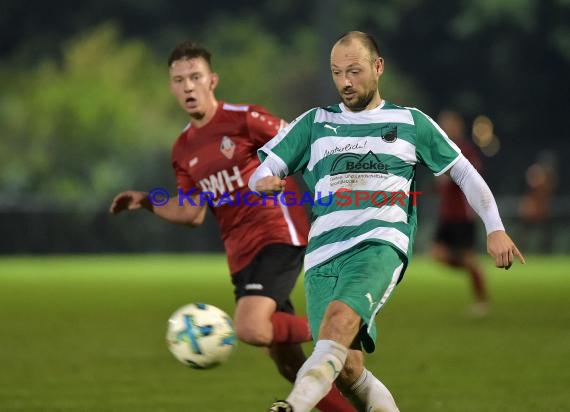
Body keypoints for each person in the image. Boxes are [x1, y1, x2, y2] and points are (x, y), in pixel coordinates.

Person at [249, 31, 525, 412]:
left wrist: (495, 227)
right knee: (346, 367)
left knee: (339, 322)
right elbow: (264, 168)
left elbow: (463, 171)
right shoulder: (315, 123)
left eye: (354, 71)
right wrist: (261, 182)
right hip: (322, 258)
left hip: (379, 246)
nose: (345, 82)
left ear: (378, 68)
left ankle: (293, 406)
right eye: (337, 73)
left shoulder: (410, 122)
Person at [109, 41, 354, 412]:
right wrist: (146, 201)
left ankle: (346, 328)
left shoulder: (244, 118)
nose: (188, 86)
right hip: (240, 254)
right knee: (287, 361)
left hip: (277, 232)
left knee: (251, 328)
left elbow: (303, 144)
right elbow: (192, 213)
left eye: (195, 77)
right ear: (172, 87)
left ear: (212, 80)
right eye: (179, 80)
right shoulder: (182, 148)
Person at [430, 110, 490, 315]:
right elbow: (439, 185)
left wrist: (451, 178)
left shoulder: (465, 149)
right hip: (447, 214)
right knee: (437, 254)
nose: (446, 127)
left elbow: (472, 177)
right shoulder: (439, 149)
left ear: (458, 126)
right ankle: (471, 269)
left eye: (450, 124)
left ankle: (482, 301)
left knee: (468, 257)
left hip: (462, 215)